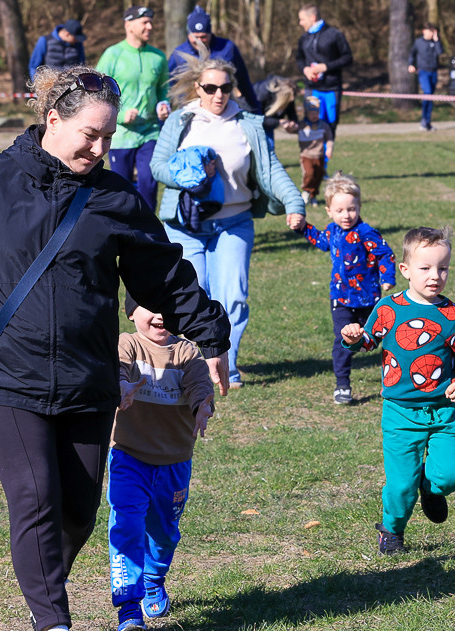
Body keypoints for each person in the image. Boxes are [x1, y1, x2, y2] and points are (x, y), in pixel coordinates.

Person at [0, 65, 230, 631]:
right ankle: (55, 627)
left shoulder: (116, 197)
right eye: (89, 135)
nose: (99, 149)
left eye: (108, 137)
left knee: (77, 510)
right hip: (2, 379)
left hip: (87, 382)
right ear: (53, 120)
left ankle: (41, 582)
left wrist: (210, 334)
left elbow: (163, 276)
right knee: (36, 494)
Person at [152, 55, 306, 389]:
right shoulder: (180, 120)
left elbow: (270, 169)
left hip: (234, 222)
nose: (218, 94)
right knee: (191, 296)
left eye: (225, 87)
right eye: (210, 88)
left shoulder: (248, 123)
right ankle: (191, 367)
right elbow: (157, 166)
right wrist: (191, 175)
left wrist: (294, 202)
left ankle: (227, 367)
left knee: (232, 296)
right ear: (198, 88)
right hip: (186, 226)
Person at [340, 227, 455, 554]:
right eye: (425, 268)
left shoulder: (453, 315)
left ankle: (431, 489)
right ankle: (391, 531)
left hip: (443, 412)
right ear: (405, 270)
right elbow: (368, 341)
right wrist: (353, 338)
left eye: (443, 268)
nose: (435, 276)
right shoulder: (388, 308)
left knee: (452, 475)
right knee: (402, 484)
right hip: (400, 413)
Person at [107, 294, 216, 631]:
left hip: (174, 461)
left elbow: (199, 383)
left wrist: (202, 405)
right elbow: (117, 367)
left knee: (164, 531)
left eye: (166, 308)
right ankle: (128, 606)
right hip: (128, 455)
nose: (159, 315)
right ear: (131, 312)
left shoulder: (186, 352)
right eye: (149, 307)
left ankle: (154, 578)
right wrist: (120, 385)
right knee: (126, 524)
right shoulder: (127, 344)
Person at [292, 173, 395, 404]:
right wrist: (303, 227)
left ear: (359, 207)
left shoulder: (365, 232)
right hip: (340, 298)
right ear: (329, 211)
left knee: (375, 339)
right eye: (339, 210)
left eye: (351, 209)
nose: (346, 215)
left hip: (368, 298)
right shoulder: (332, 230)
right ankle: (342, 385)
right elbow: (320, 241)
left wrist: (387, 277)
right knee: (343, 340)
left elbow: (385, 253)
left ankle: (392, 380)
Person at [95, 5, 171, 210]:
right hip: (120, 133)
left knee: (149, 184)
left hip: (150, 132)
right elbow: (98, 92)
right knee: (121, 189)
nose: (150, 27)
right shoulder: (112, 55)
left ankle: (147, 227)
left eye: (151, 22)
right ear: (129, 25)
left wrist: (164, 105)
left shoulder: (158, 57)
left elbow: (163, 91)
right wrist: (120, 116)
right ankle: (122, 227)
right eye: (145, 22)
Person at [167, 5, 261, 114]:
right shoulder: (179, 54)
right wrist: (165, 110)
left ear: (210, 32)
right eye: (195, 37)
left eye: (203, 37)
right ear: (188, 33)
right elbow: (168, 87)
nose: (199, 41)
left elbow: (244, 82)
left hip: (222, 108)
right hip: (190, 110)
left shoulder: (227, 48)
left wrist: (256, 110)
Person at [296, 4, 353, 138]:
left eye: (302, 19)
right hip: (311, 88)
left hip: (331, 88)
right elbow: (299, 58)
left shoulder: (334, 34)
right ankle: (314, 151)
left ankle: (327, 150)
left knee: (330, 123)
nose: (300, 23)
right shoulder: (304, 38)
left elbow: (347, 58)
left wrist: (326, 67)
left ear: (312, 17)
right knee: (312, 124)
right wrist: (305, 69)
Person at [293, 96, 333, 205]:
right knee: (309, 174)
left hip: (319, 156)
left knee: (319, 176)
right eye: (311, 113)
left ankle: (313, 195)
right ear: (306, 113)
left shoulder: (323, 126)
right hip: (306, 155)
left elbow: (329, 138)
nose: (314, 116)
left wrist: (329, 148)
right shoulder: (301, 125)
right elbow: (292, 129)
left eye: (316, 113)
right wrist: (288, 126)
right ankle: (306, 191)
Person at [407, 22, 444, 131]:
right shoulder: (418, 42)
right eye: (429, 31)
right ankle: (424, 120)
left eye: (432, 31)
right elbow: (412, 54)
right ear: (424, 31)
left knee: (430, 96)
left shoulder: (435, 42)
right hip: (423, 72)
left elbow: (440, 52)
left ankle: (427, 122)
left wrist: (437, 40)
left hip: (434, 72)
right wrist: (411, 64)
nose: (431, 33)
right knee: (427, 93)